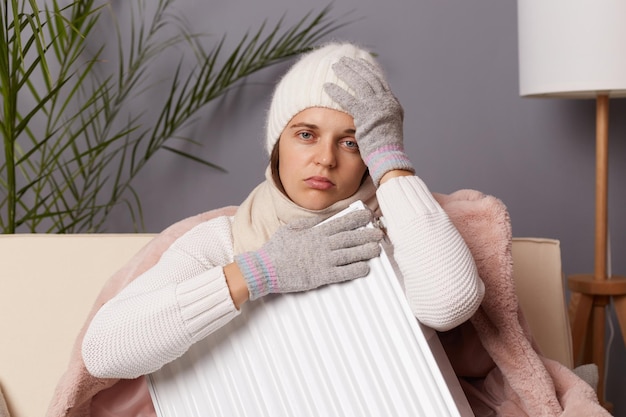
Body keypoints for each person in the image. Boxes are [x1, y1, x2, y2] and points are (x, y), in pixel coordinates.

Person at [82, 42, 485, 379]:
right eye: (306, 135)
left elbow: (450, 303)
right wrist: (258, 272)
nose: (325, 159)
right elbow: (104, 351)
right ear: (278, 145)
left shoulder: (404, 228)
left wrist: (390, 160)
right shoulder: (224, 239)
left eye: (351, 142)